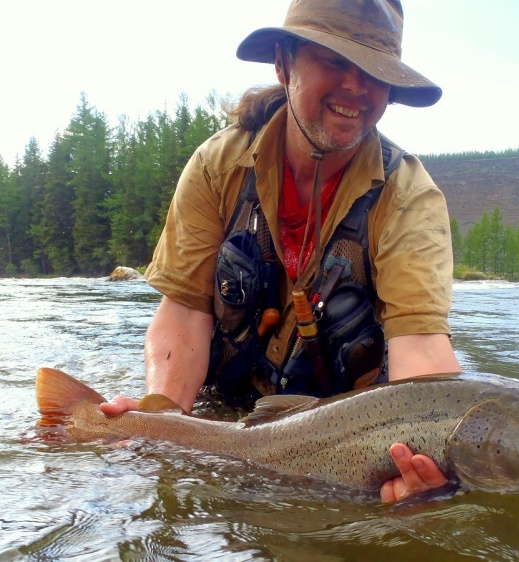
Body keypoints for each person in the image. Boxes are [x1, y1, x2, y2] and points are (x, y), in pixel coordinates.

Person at [101, 0, 460, 503]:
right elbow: (184, 313)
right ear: (283, 62)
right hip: (230, 412)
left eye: (375, 73)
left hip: (343, 435)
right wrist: (159, 419)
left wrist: (433, 458)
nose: (356, 87)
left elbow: (420, 347)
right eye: (335, 61)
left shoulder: (409, 196)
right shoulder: (218, 165)